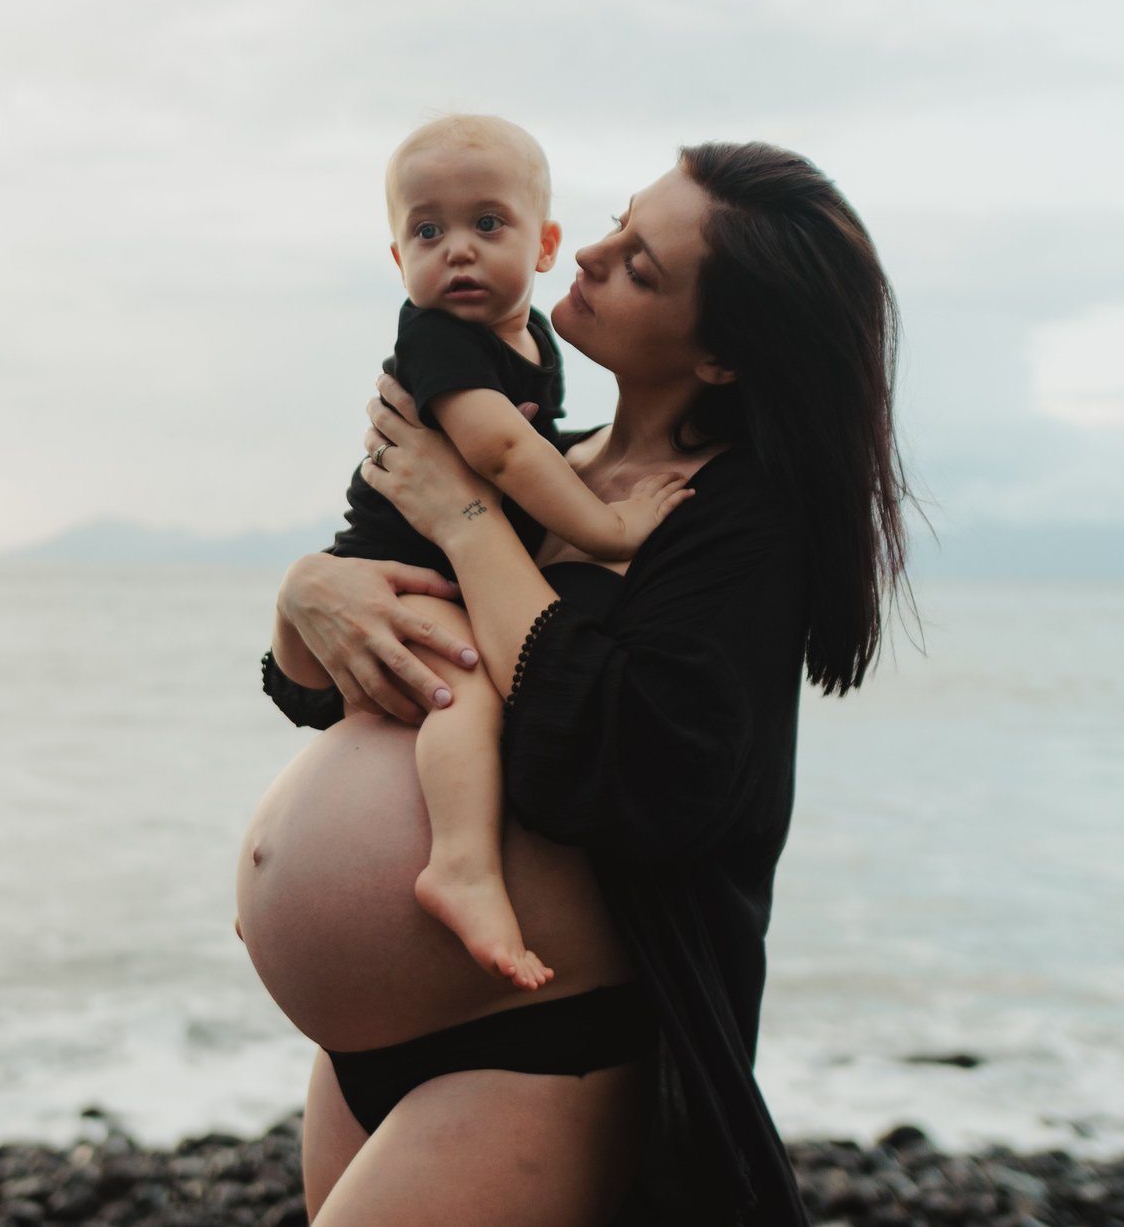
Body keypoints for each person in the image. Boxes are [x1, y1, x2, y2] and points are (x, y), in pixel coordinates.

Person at [237, 141, 911, 1226]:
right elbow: (338, 690)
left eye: (641, 264)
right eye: (616, 221)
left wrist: (462, 515)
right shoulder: (548, 458)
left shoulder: (733, 525)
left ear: (726, 354)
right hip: (365, 1046)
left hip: (532, 1047)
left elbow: (630, 764)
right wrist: (303, 597)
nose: (586, 255)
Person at [323, 114, 696, 992]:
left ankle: (374, 861)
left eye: (487, 223)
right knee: (463, 696)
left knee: (436, 697)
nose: (456, 250)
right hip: (404, 569)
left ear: (543, 244)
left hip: (447, 574)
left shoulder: (534, 345)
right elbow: (501, 453)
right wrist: (610, 527)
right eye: (427, 230)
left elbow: (535, 445)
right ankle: (458, 863)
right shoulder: (438, 339)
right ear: (397, 260)